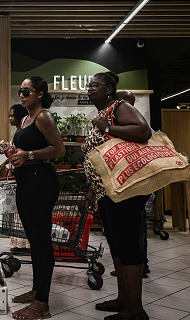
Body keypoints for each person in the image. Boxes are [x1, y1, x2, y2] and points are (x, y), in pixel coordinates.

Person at [0, 76, 64, 320]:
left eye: (27, 91)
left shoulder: (44, 116)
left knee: (42, 242)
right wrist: (6, 153)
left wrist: (29, 156)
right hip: (25, 182)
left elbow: (58, 149)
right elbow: (22, 151)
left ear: (40, 94)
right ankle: (36, 290)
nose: (21, 95)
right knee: (33, 239)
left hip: (40, 182)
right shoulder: (25, 119)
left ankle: (42, 304)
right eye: (20, 91)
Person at [83, 72, 152, 320]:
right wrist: (93, 189)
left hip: (126, 191)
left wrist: (108, 127)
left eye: (95, 85)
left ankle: (135, 309)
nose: (90, 89)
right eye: (88, 85)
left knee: (128, 245)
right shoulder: (105, 111)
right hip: (107, 191)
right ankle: (124, 299)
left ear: (110, 89)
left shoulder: (120, 108)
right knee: (117, 245)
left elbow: (143, 131)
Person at [111, 90, 150, 279]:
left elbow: (145, 134)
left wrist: (108, 128)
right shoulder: (117, 122)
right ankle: (124, 290)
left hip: (132, 187)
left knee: (133, 234)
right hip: (118, 188)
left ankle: (140, 267)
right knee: (123, 237)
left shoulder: (134, 124)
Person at [0, 104, 31, 253]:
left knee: (23, 210)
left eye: (12, 116)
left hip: (25, 175)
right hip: (17, 173)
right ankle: (20, 242)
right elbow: (13, 154)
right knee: (17, 210)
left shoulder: (24, 133)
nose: (10, 119)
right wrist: (3, 155)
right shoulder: (16, 133)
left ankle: (26, 243)